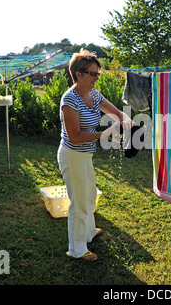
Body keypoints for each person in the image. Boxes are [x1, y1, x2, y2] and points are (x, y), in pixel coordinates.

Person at [57, 49, 131, 260]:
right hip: (72, 155)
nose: (97, 77)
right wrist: (106, 133)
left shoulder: (93, 94)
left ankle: (89, 232)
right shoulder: (69, 100)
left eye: (98, 73)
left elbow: (116, 113)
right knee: (78, 202)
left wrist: (126, 121)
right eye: (92, 73)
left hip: (85, 156)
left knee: (89, 195)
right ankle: (77, 249)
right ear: (78, 74)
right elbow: (75, 137)